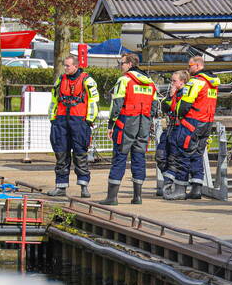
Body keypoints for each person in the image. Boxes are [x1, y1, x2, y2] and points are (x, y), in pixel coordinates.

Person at [164, 56, 219, 200]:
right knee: (197, 156)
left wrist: (177, 114)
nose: (188, 68)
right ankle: (196, 189)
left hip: (192, 123)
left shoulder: (196, 81)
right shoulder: (212, 83)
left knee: (183, 155)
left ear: (197, 66)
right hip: (206, 123)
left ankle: (180, 190)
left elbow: (185, 104)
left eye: (190, 65)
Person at [105, 54, 158, 206]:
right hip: (144, 124)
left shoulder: (125, 80)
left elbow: (117, 104)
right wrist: (148, 121)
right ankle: (137, 196)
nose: (120, 66)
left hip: (126, 122)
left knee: (120, 157)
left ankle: (112, 197)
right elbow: (154, 106)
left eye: (121, 63)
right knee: (139, 158)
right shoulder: (150, 83)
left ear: (129, 64)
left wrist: (111, 125)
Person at [48, 55, 100, 197]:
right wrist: (52, 117)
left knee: (80, 154)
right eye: (64, 65)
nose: (65, 68)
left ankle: (84, 186)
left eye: (68, 66)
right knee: (61, 154)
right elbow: (54, 99)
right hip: (61, 121)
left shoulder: (87, 80)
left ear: (75, 66)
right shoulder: (61, 79)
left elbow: (94, 101)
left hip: (79, 121)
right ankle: (61, 186)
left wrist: (89, 120)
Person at [155, 70, 188, 192]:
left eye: (174, 81)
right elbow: (164, 107)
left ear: (182, 81)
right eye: (171, 81)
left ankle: (168, 185)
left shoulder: (186, 93)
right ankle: (167, 181)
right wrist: (170, 95)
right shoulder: (172, 93)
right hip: (169, 129)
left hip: (180, 129)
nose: (172, 83)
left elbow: (181, 109)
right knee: (160, 156)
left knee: (174, 159)